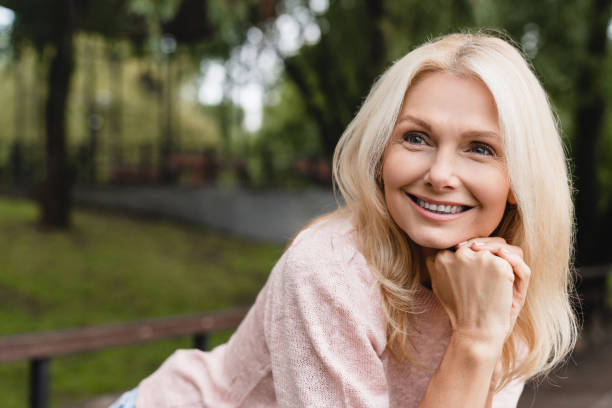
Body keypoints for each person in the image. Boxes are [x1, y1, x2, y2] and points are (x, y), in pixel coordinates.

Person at [110, 31, 577, 408]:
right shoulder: (328, 272)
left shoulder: (502, 280)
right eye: (416, 138)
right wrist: (474, 340)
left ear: (519, 181)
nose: (440, 175)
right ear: (380, 154)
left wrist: (480, 331)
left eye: (480, 148)